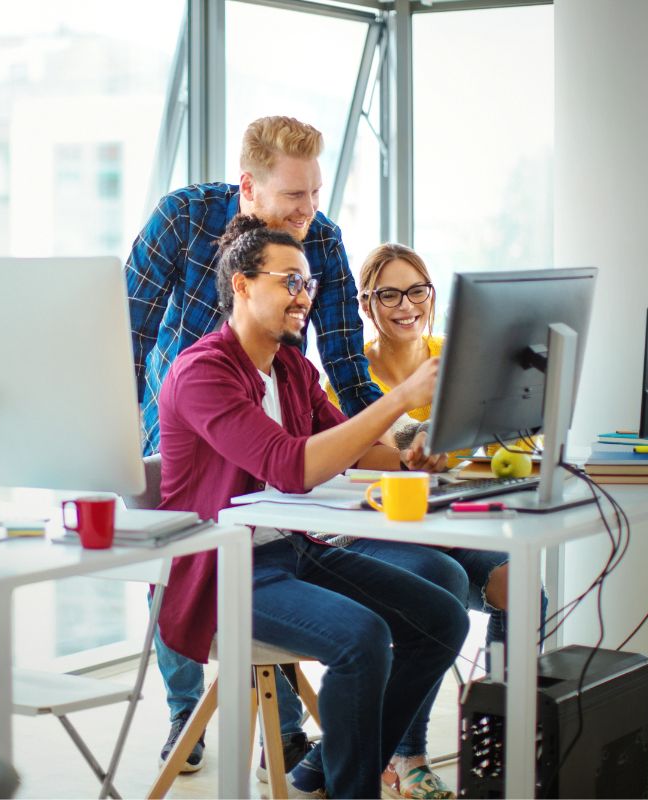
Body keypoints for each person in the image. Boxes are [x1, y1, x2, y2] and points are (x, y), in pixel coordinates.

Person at [155, 215, 469, 799]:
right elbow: (291, 465)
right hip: (221, 573)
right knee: (362, 638)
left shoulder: (292, 367)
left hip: (292, 551)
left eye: (308, 284)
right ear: (243, 286)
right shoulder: (203, 372)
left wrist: (416, 451)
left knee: (441, 619)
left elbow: (351, 444)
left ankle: (323, 772)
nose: (305, 297)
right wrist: (401, 395)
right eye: (290, 282)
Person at [126, 115, 383, 775]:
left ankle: (283, 725)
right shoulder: (184, 219)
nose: (309, 213)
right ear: (249, 185)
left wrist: (381, 437)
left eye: (316, 195)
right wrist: (119, 444)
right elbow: (127, 331)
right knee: (184, 547)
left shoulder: (319, 239)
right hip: (184, 403)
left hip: (274, 410)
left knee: (274, 542)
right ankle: (189, 709)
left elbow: (347, 364)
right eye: (295, 197)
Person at [328, 240, 550, 669]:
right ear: (366, 304)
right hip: (378, 533)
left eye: (417, 290)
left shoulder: (457, 358)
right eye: (388, 294)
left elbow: (506, 439)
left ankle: (502, 720)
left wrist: (526, 402)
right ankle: (408, 739)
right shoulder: (347, 381)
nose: (405, 305)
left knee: (520, 583)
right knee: (437, 584)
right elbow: (348, 469)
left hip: (448, 525)